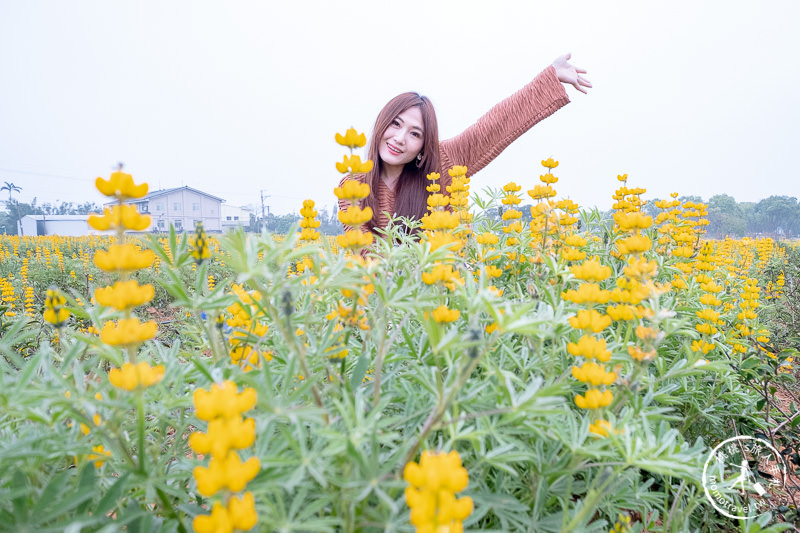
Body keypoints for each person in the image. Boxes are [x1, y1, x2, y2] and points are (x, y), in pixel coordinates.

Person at [338, 53, 592, 235]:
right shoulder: (353, 186)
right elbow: (361, 253)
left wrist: (550, 77)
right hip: (386, 300)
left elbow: (493, 126)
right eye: (395, 124)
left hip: (444, 294)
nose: (400, 138)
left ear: (424, 146)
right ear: (382, 123)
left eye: (415, 134)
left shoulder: (443, 161)